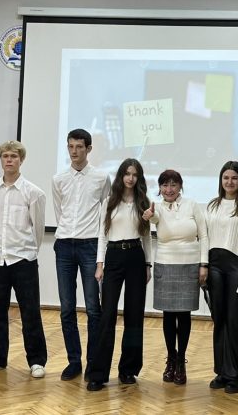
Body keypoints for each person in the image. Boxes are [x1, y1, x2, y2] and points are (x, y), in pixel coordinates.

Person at [0, 141, 47, 379]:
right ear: (1, 159)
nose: (9, 160)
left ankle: (36, 361)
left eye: (14, 156)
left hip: (23, 259)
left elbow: (38, 229)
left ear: (21, 160)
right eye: (5, 156)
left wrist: (28, 251)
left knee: (30, 312)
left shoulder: (33, 192)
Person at [87, 158, 152, 391]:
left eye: (135, 174)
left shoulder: (144, 202)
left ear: (139, 178)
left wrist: (148, 264)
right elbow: (102, 234)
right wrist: (100, 264)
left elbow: (146, 236)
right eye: (127, 173)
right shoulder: (109, 201)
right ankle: (98, 373)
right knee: (107, 316)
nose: (130, 178)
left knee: (134, 315)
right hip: (113, 256)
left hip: (136, 256)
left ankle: (128, 370)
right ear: (121, 176)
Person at [52, 128, 111, 381]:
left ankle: (93, 363)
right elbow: (59, 211)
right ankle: (73, 361)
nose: (74, 151)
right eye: (70, 146)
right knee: (67, 308)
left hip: (90, 246)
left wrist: (101, 255)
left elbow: (106, 215)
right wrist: (67, 234)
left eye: (79, 147)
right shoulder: (59, 179)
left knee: (93, 308)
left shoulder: (101, 177)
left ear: (88, 149)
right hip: (64, 245)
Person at [142, 169, 208, 385]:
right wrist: (149, 216)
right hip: (165, 265)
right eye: (165, 185)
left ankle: (181, 361)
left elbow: (204, 235)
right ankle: (171, 358)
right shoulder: (157, 207)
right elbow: (155, 218)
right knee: (169, 316)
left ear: (180, 186)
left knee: (184, 315)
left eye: (173, 185)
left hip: (189, 265)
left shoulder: (192, 205)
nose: (169, 189)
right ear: (160, 187)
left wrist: (204, 264)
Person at [206, 161, 238, 395]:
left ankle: (237, 376)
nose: (229, 182)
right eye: (226, 177)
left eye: (234, 178)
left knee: (235, 322)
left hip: (237, 268)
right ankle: (222, 372)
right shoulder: (212, 205)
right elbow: (205, 237)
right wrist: (204, 267)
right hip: (215, 267)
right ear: (221, 180)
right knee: (219, 321)